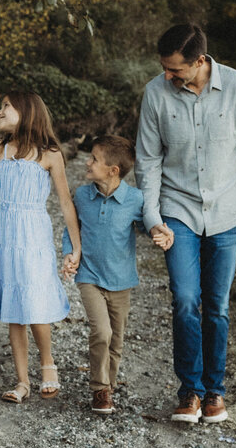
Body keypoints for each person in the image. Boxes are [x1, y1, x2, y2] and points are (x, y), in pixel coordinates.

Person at [135, 22, 236, 425]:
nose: (168, 75)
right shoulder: (155, 93)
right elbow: (148, 160)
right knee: (185, 299)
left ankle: (215, 392)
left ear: (199, 61)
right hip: (177, 211)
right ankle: (189, 391)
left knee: (216, 305)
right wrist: (152, 216)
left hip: (227, 213)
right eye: (164, 68)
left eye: (175, 69)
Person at [0, 91, 81, 404]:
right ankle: (22, 381)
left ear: (26, 112)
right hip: (7, 237)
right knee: (15, 307)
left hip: (35, 237)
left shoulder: (49, 154)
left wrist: (75, 247)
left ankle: (48, 364)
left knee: (36, 302)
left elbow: (65, 203)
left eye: (6, 106)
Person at [62, 134, 172, 415]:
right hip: (89, 276)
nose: (87, 163)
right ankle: (99, 389)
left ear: (113, 171)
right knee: (102, 331)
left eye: (94, 159)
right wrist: (70, 253)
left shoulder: (135, 199)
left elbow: (149, 224)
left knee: (117, 339)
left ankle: (108, 387)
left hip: (122, 281)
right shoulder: (83, 196)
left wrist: (158, 232)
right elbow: (70, 227)